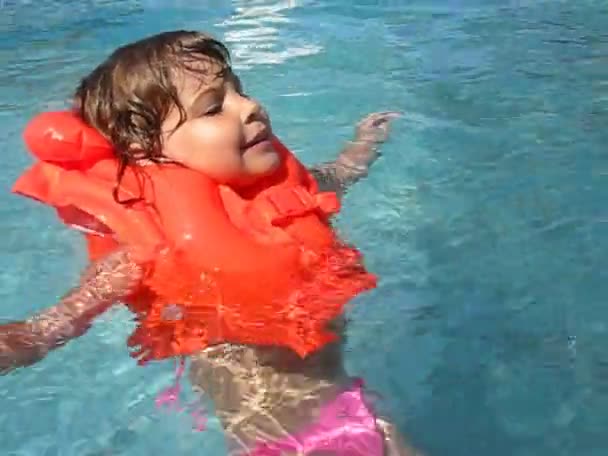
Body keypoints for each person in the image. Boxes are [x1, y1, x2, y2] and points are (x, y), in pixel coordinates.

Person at [1, 31, 419, 455]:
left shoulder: (270, 192)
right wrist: (22, 341)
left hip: (349, 407)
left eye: (240, 91)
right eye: (215, 107)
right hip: (282, 438)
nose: (250, 106)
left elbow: (329, 182)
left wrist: (359, 150)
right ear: (144, 147)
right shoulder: (152, 244)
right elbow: (57, 322)